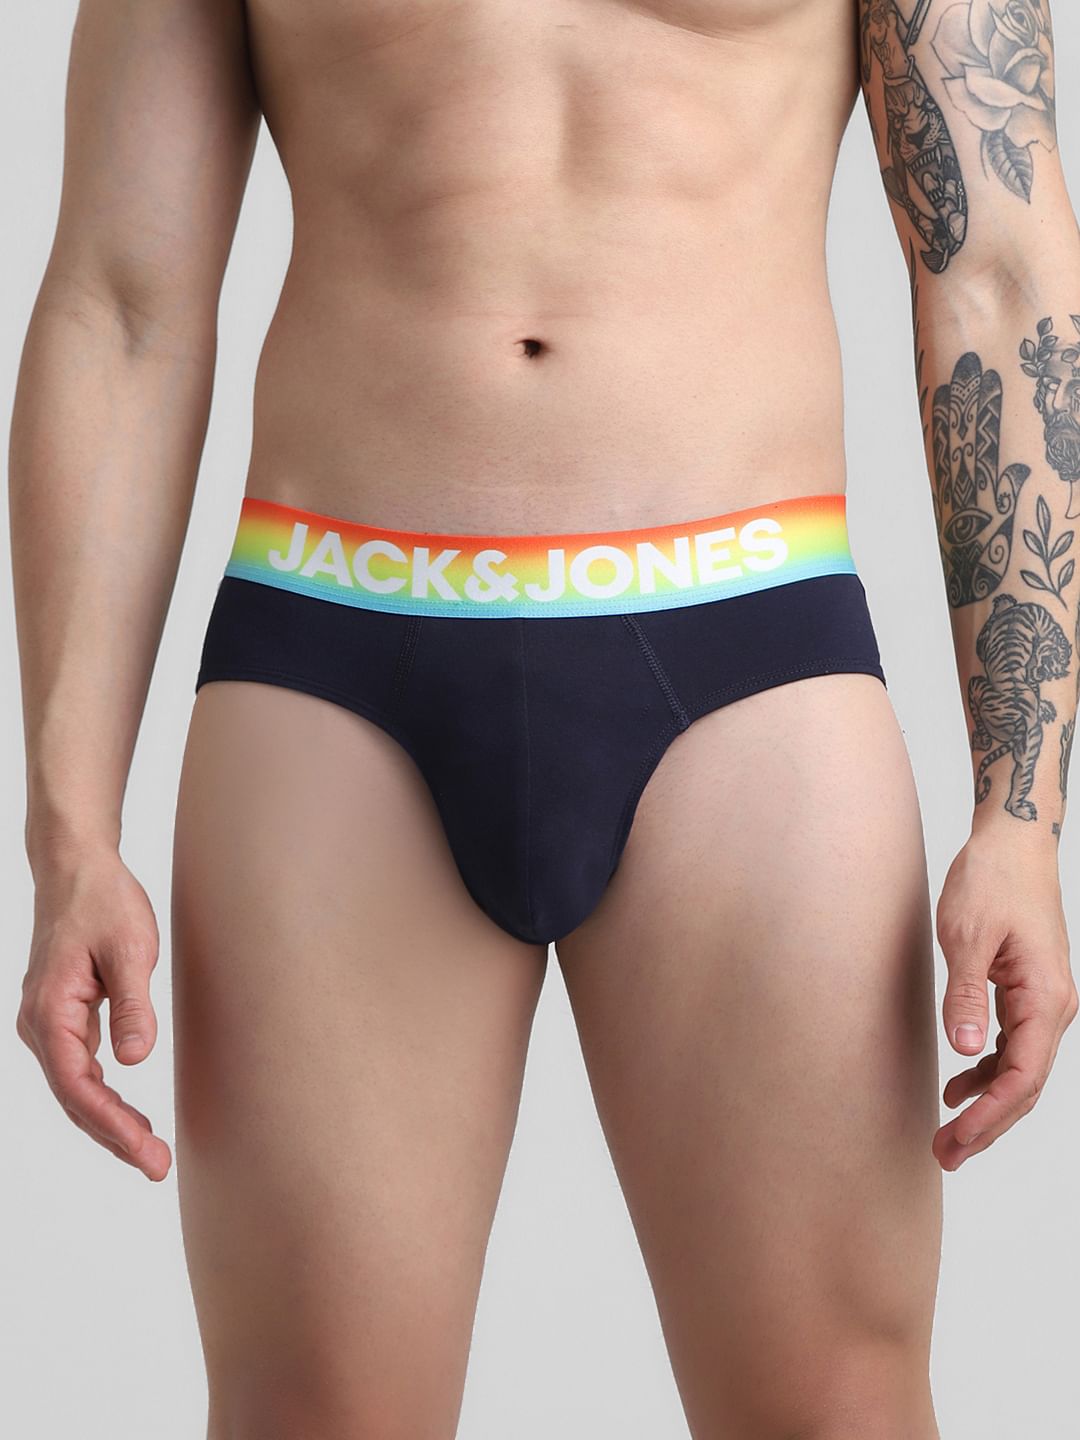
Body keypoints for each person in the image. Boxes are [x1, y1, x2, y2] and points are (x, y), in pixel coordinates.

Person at [8, 0, 1078, 1434]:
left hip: (747, 646)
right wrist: (70, 832)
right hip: (337, 647)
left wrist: (1022, 816)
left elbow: (998, 275)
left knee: (838, 1406)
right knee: (310, 1415)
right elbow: (122, 301)